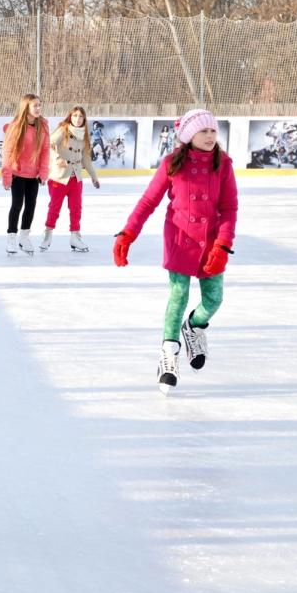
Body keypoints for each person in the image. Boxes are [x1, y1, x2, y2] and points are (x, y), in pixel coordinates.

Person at [112, 108, 238, 394]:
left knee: (214, 300)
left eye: (213, 131)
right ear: (189, 135)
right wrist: (127, 234)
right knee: (179, 294)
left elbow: (229, 208)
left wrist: (223, 243)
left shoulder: (224, 164)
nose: (210, 136)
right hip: (180, 238)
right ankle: (169, 353)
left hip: (212, 242)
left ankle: (194, 327)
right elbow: (148, 202)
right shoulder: (171, 164)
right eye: (203, 131)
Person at [39, 106, 100, 253]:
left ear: (84, 119)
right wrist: (58, 157)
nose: (77, 119)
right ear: (70, 117)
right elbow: (47, 145)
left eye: (80, 116)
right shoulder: (63, 130)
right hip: (59, 177)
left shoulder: (85, 135)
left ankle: (75, 237)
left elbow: (86, 158)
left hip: (76, 178)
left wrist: (94, 177)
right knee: (54, 208)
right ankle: (47, 235)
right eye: (75, 116)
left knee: (76, 209)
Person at [1, 93, 50, 255]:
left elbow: (45, 151)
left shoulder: (43, 126)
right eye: (35, 105)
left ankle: (24, 237)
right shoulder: (16, 127)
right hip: (17, 173)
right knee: (17, 205)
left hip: (33, 175)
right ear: (26, 107)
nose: (38, 108)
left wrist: (43, 172)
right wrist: (6, 176)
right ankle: (11, 238)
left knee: (31, 206)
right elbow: (8, 152)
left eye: (39, 105)